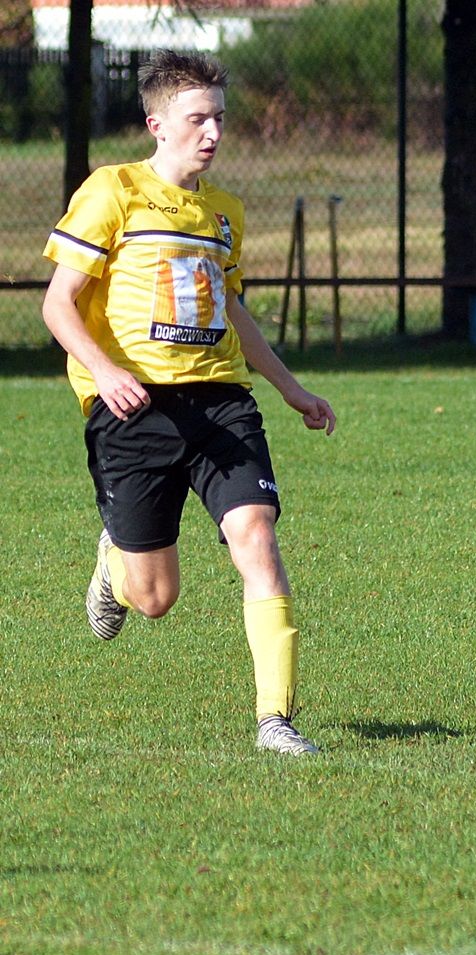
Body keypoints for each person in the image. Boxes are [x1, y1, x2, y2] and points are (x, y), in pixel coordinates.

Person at [41, 50, 336, 756]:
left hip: (221, 403)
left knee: (257, 535)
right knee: (154, 600)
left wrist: (290, 389)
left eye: (219, 119)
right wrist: (106, 372)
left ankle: (276, 722)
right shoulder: (112, 193)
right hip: (134, 408)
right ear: (157, 123)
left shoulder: (221, 215)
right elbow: (59, 306)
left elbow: (232, 309)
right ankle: (116, 556)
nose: (212, 132)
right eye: (197, 118)